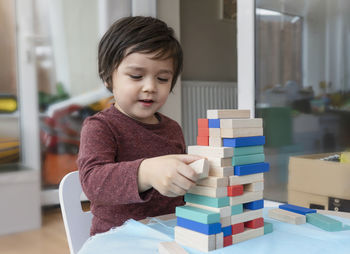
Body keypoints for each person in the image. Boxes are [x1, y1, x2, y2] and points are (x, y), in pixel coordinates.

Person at [77, 16, 201, 236]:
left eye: (162, 79)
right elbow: (92, 182)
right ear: (108, 78)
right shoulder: (100, 126)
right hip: (117, 238)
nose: (150, 87)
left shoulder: (173, 129)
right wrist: (146, 172)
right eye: (136, 76)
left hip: (171, 233)